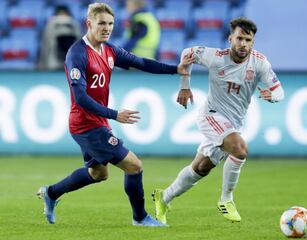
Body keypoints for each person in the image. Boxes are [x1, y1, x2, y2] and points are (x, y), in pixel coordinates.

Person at [37, 2, 192, 227]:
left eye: (110, 23)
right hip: (85, 124)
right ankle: (140, 218)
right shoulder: (77, 54)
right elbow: (80, 97)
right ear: (88, 23)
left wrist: (174, 69)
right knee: (134, 166)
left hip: (95, 121)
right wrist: (114, 114)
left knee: (98, 174)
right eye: (101, 23)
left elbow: (140, 62)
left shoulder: (109, 50)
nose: (107, 28)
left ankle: (51, 193)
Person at [152, 17, 285, 224]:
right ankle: (226, 199)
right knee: (240, 149)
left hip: (233, 123)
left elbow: (279, 91)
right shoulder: (215, 56)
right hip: (211, 115)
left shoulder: (260, 63)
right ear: (230, 38)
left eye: (248, 40)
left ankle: (164, 197)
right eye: (239, 38)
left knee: (201, 168)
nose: (243, 44)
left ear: (253, 42)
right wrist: (185, 86)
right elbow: (187, 53)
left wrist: (273, 97)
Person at [38, 5, 82, 70]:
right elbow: (45, 48)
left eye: (64, 15)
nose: (62, 18)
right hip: (53, 63)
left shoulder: (75, 26)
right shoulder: (50, 26)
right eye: (60, 15)